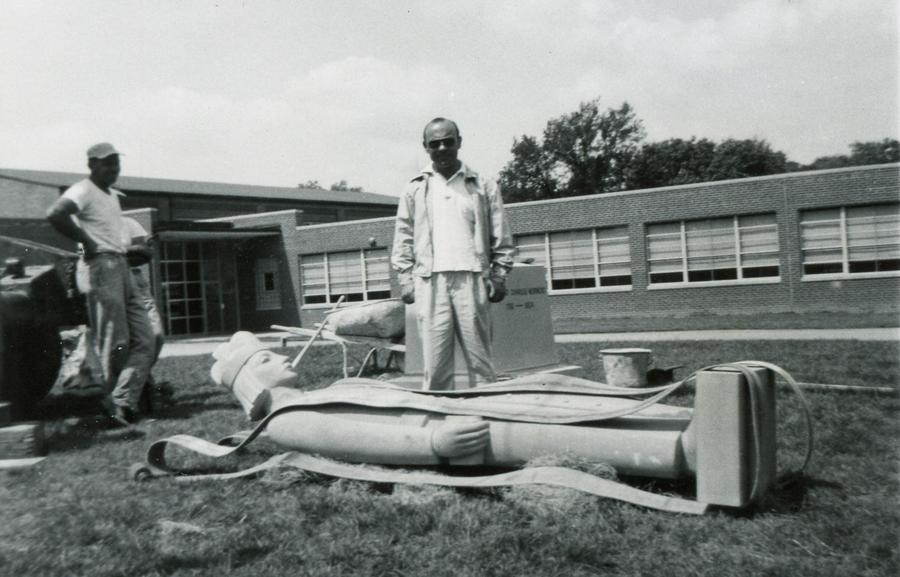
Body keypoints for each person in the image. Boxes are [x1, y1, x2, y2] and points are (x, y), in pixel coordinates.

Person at [208, 332, 694, 476]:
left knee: (556, 396)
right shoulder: (285, 422)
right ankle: (693, 451)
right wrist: (434, 443)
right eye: (270, 357)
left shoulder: (321, 390)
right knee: (568, 431)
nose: (286, 355)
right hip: (457, 427)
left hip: (460, 405)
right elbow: (355, 440)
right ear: (251, 376)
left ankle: (684, 417)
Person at [391, 118, 515, 391]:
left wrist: (500, 275)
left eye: (449, 141)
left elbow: (501, 235)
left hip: (473, 279)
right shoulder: (415, 187)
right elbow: (403, 235)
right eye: (435, 144)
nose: (443, 148)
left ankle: (487, 415)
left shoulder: (483, 185)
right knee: (435, 365)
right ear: (426, 147)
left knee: (481, 362)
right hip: (431, 282)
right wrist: (405, 278)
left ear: (459, 141)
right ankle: (440, 422)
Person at [46, 142, 155, 425]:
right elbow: (56, 213)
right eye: (107, 163)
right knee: (115, 341)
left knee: (147, 338)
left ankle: (121, 400)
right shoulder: (84, 189)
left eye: (116, 163)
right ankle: (113, 408)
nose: (114, 169)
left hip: (121, 265)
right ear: (92, 165)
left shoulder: (111, 195)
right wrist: (86, 241)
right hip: (101, 267)